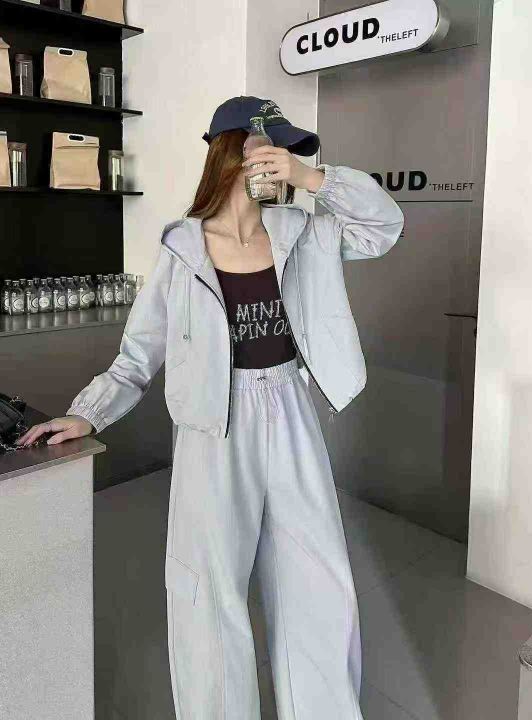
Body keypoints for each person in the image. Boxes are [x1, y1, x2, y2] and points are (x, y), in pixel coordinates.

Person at [17, 96, 404, 719]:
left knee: (320, 578)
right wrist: (90, 411)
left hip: (290, 406)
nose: (279, 161)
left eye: (287, 152)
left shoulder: (305, 231)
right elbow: (140, 351)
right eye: (271, 148)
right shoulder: (183, 248)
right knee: (208, 586)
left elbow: (383, 226)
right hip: (213, 424)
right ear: (234, 152)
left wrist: (311, 178)